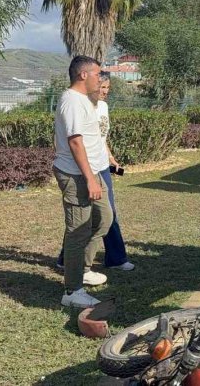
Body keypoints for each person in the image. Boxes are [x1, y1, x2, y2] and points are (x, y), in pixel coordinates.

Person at [56, 72, 133, 271]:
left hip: (100, 167)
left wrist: (110, 157)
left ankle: (113, 259)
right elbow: (75, 141)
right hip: (83, 170)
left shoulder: (103, 107)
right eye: (101, 86)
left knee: (107, 214)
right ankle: (71, 263)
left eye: (107, 87)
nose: (104, 91)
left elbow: (99, 138)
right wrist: (89, 177)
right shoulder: (77, 103)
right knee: (81, 220)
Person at [54, 56, 114, 308]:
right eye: (97, 74)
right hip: (77, 175)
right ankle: (72, 291)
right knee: (78, 231)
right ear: (83, 75)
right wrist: (90, 179)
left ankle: (83, 269)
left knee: (103, 219)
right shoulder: (72, 101)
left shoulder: (85, 101)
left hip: (92, 172)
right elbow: (75, 141)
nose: (101, 79)